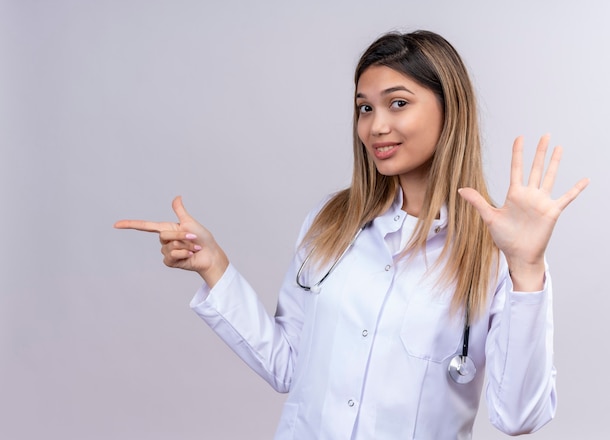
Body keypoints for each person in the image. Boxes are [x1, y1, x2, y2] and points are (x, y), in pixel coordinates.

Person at [114, 30, 589, 439]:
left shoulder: (494, 253)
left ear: (450, 109)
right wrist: (215, 267)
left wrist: (526, 270)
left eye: (398, 104)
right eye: (364, 108)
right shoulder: (331, 222)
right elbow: (288, 366)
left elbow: (518, 416)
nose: (375, 126)